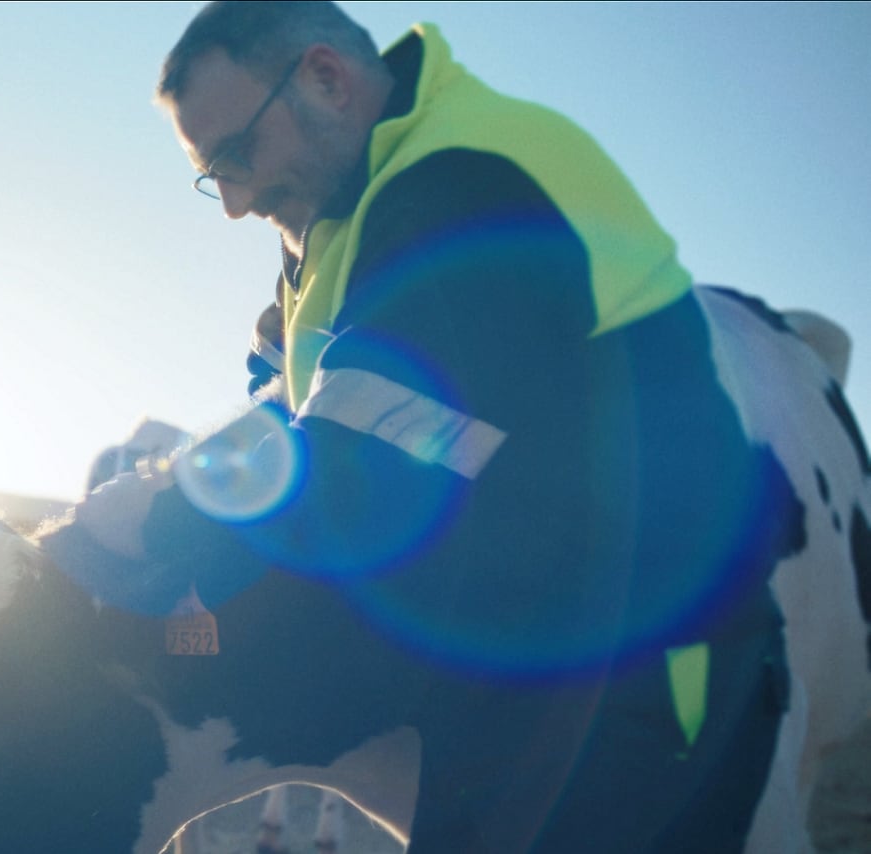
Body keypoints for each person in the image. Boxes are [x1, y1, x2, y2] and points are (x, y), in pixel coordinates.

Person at [39, 2, 794, 851]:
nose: (235, 205)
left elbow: (355, 467)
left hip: (642, 671)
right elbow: (280, 414)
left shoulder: (470, 177)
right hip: (520, 663)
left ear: (326, 78)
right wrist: (182, 558)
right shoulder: (335, 225)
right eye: (216, 175)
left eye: (239, 155)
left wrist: (135, 521)